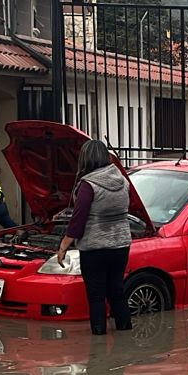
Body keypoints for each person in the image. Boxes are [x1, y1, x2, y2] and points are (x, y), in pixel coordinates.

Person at [54, 139, 133, 335]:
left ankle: (99, 339)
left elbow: (78, 219)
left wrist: (63, 246)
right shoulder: (123, 181)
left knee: (96, 296)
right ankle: (125, 335)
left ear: (86, 159)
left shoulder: (88, 185)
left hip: (95, 248)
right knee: (117, 291)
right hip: (121, 245)